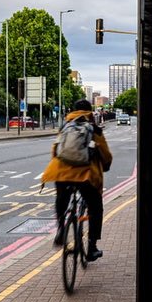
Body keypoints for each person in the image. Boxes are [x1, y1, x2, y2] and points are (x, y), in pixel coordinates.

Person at [43, 98, 113, 261]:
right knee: (95, 206)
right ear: (90, 111)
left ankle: (61, 228)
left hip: (61, 171)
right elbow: (106, 155)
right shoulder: (94, 129)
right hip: (85, 176)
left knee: (61, 198)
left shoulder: (65, 126)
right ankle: (92, 247)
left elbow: (55, 150)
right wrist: (106, 165)